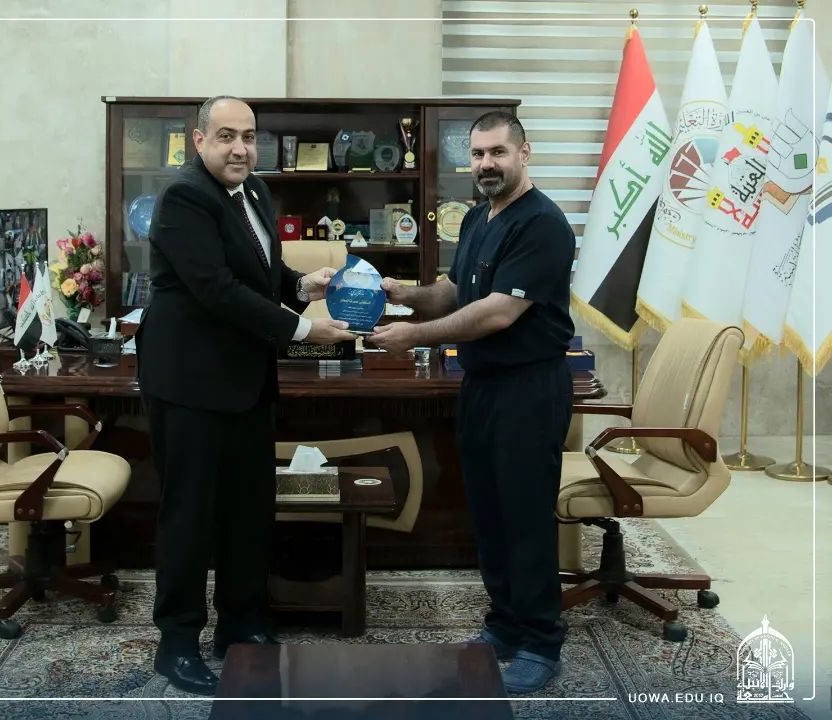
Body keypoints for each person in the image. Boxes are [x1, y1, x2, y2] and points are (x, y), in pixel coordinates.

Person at [135, 95, 356, 695]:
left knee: (248, 509)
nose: (240, 149)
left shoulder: (254, 191)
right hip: (189, 382)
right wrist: (304, 329)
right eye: (226, 136)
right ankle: (177, 642)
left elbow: (260, 274)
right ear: (198, 140)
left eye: (249, 137)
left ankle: (241, 624)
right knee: (190, 515)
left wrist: (301, 285)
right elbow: (217, 289)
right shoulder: (184, 198)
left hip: (247, 380)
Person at [370, 111, 574, 694]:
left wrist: (415, 336)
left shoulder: (543, 224)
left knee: (525, 516)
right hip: (483, 385)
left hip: (528, 388)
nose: (486, 164)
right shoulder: (480, 218)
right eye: (478, 154)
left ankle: (540, 641)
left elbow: (498, 312)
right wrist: (406, 294)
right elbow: (459, 292)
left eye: (497, 152)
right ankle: (505, 624)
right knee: (488, 513)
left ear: (523, 154)